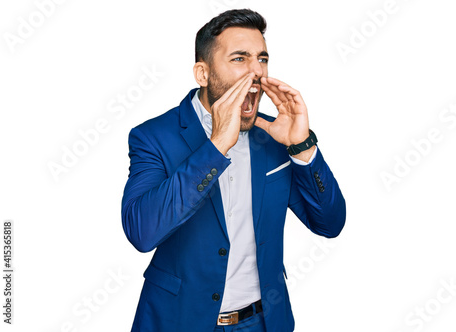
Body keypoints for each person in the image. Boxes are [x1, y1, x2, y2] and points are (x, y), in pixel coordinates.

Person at [121, 8, 346, 332]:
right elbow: (142, 232)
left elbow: (330, 224)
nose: (257, 72)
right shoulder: (153, 136)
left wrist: (302, 146)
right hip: (180, 321)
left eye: (262, 59)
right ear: (203, 73)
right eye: (240, 59)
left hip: (264, 321)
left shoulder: (273, 136)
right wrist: (214, 149)